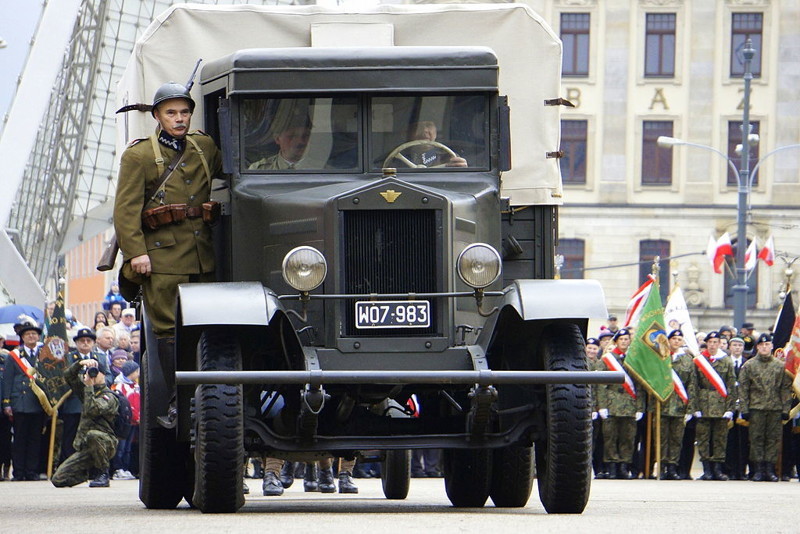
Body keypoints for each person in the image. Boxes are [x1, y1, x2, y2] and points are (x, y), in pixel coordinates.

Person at [114, 80, 222, 344]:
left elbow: (232, 169)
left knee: (206, 330)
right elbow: (126, 211)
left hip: (202, 259)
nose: (179, 119)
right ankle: (174, 387)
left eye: (184, 112)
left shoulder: (203, 147)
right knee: (168, 333)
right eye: (171, 113)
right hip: (163, 261)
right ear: (157, 116)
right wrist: (137, 253)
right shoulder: (139, 156)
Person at [51, 358, 118, 488]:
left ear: (103, 374)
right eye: (90, 372)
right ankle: (86, 474)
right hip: (87, 446)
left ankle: (103, 473)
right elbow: (69, 376)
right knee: (58, 480)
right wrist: (80, 363)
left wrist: (89, 387)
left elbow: (92, 410)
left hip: (105, 444)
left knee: (93, 435)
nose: (92, 375)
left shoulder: (109, 396)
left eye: (95, 372)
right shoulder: (88, 392)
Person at [738, 334, 792, 482]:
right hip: (756, 408)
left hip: (775, 408)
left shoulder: (780, 366)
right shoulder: (749, 365)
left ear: (772, 346)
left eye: (767, 344)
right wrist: (744, 409)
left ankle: (770, 469)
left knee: (773, 440)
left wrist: (785, 409)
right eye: (761, 345)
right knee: (756, 439)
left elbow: (785, 389)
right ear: (757, 347)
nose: (764, 347)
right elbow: (743, 389)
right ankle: (758, 470)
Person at [2, 318, 46, 481]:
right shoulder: (14, 356)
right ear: (23, 337)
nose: (31, 337)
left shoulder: (44, 354)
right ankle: (19, 472)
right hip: (20, 402)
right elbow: (8, 380)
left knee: (35, 439)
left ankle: (31, 471)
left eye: (34, 334)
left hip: (38, 402)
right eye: (28, 334)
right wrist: (6, 402)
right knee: (20, 439)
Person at [596, 328, 643, 479]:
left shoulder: (634, 359)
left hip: (630, 404)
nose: (624, 342)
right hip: (612, 402)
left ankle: (624, 466)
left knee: (627, 437)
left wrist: (640, 407)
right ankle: (612, 467)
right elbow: (601, 385)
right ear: (616, 341)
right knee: (610, 437)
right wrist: (602, 406)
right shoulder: (607, 359)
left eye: (626, 339)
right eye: (621, 339)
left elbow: (640, 385)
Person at [61, 328, 111, 463]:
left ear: (93, 343)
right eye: (81, 341)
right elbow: (65, 377)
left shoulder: (100, 357)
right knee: (71, 435)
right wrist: (82, 379)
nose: (85, 343)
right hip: (73, 401)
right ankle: (69, 463)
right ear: (76, 343)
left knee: (92, 435)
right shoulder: (69, 357)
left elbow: (108, 375)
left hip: (94, 401)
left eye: (88, 340)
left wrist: (99, 383)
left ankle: (92, 466)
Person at [691, 331, 736, 481]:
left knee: (719, 438)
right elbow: (694, 385)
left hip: (720, 404)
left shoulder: (726, 361)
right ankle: (707, 470)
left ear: (719, 344)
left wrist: (730, 409)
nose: (712, 345)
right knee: (703, 438)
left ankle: (717, 469)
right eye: (710, 342)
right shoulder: (699, 361)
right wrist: (695, 407)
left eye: (715, 342)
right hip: (703, 404)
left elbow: (731, 385)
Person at [658, 330, 693, 480]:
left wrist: (690, 408)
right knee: (662, 438)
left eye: (679, 339)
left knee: (676, 439)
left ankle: (672, 467)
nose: (676, 341)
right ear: (669, 341)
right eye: (674, 339)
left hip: (680, 405)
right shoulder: (661, 357)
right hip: (663, 404)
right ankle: (661, 467)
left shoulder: (687, 360)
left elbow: (692, 384)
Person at [389, 120, 467, 168]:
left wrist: (461, 169)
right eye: (418, 126)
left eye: (429, 125)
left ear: (436, 131)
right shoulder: (395, 159)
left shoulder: (448, 157)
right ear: (406, 133)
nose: (425, 130)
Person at [725, 336, 750, 480]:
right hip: (727, 405)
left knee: (742, 440)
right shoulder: (724, 362)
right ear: (729, 347)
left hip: (743, 406)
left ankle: (741, 470)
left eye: (740, 345)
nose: (737, 348)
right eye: (734, 345)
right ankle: (729, 470)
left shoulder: (747, 363)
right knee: (729, 440)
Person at [111, 361, 140, 480]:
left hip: (134, 421)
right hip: (123, 421)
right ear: (131, 372)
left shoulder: (136, 386)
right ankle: (117, 469)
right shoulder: (119, 386)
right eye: (137, 371)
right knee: (120, 447)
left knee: (128, 447)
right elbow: (122, 404)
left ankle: (126, 468)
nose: (138, 374)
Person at [586, 337, 607, 479]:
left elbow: (600, 388)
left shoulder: (599, 364)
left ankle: (595, 467)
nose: (592, 351)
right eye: (590, 348)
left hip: (597, 409)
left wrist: (600, 407)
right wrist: (591, 408)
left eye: (595, 348)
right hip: (585, 407)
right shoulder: (581, 363)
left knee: (597, 440)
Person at [0, 334, 12, 480]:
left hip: (3, 405)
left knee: (4, 439)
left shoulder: (6, 358)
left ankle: (6, 467)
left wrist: (7, 403)